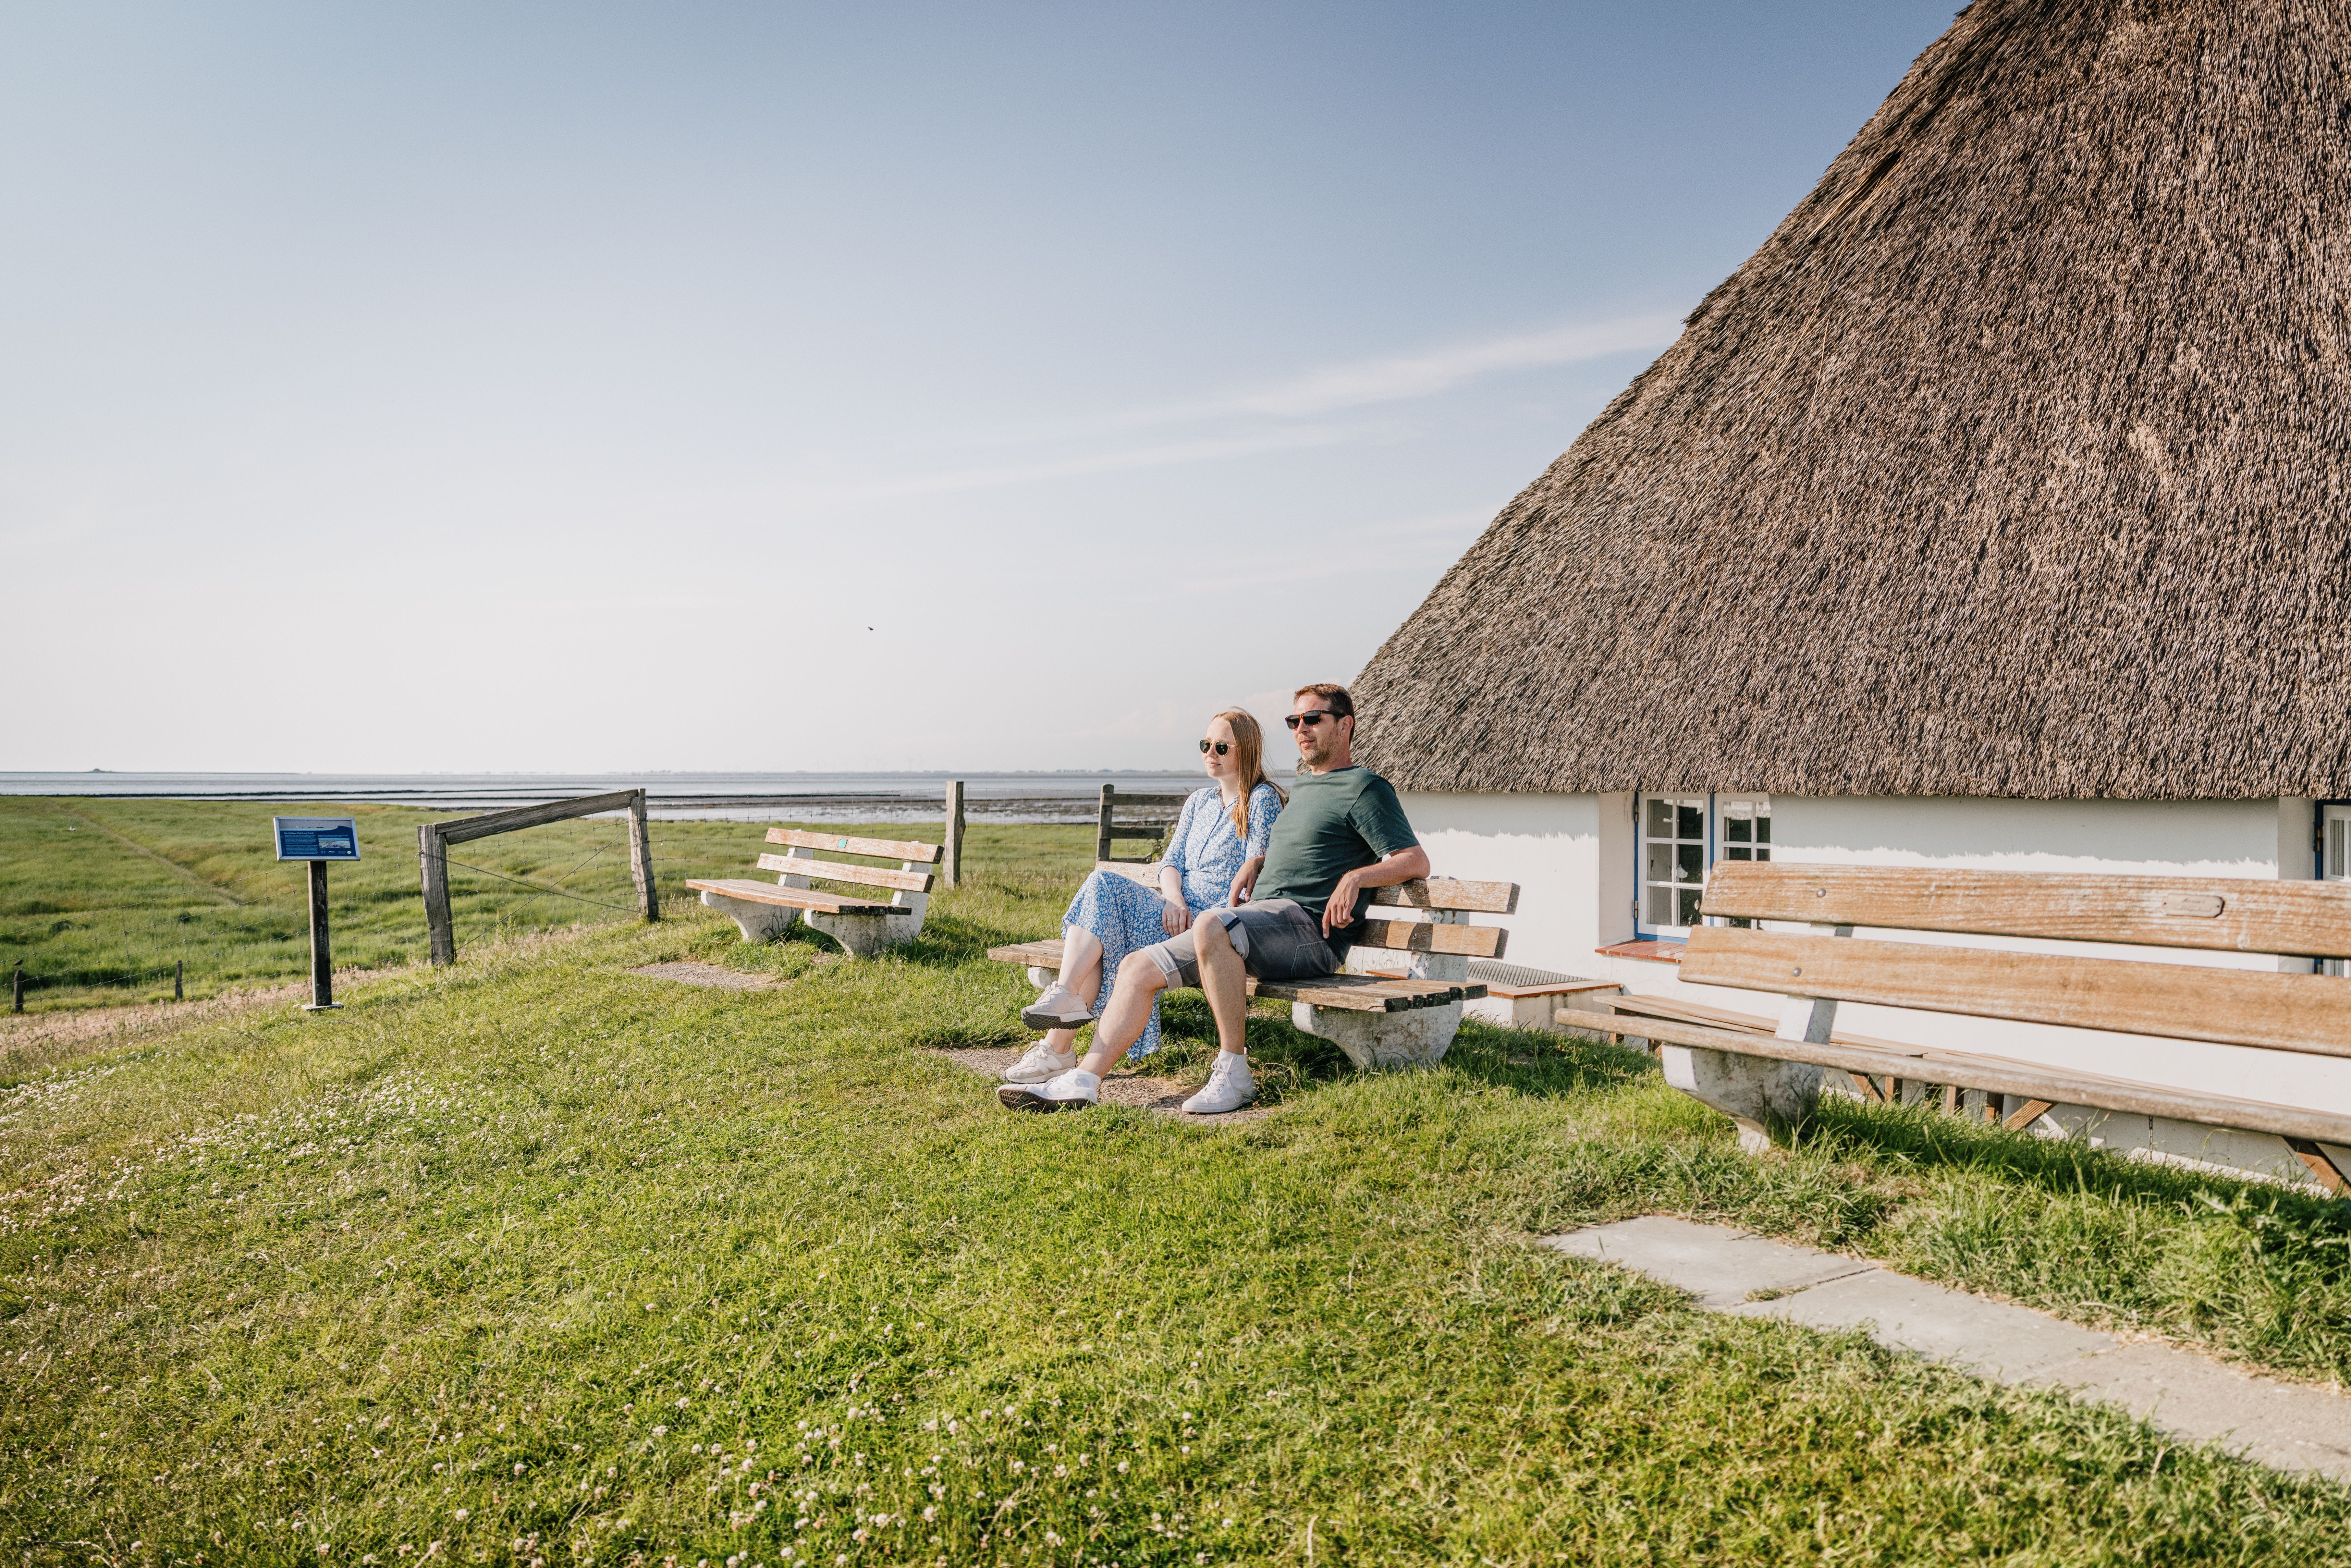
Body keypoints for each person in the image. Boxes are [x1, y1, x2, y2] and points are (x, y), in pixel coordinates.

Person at [1000, 682, 1428, 1116]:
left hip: (1307, 931)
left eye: (1313, 719)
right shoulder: (1304, 789)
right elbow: (1302, 854)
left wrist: (1358, 876)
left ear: (1345, 725)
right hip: (1261, 922)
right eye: (1294, 721)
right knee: (1136, 967)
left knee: (1212, 923)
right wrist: (1258, 862)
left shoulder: (1365, 788)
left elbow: (1414, 859)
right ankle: (1083, 1079)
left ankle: (1234, 1072)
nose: (1302, 729)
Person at [998, 709, 1285, 1085]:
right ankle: (1065, 996)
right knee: (1103, 885)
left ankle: (1058, 1049)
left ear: (1245, 750)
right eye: (1205, 745)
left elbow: (1256, 866)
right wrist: (1174, 899)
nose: (1210, 753)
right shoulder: (1199, 801)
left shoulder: (1261, 800)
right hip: (1176, 911)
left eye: (1221, 746)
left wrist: (1200, 913)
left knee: (1103, 937)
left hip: (1212, 927)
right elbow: (1171, 863)